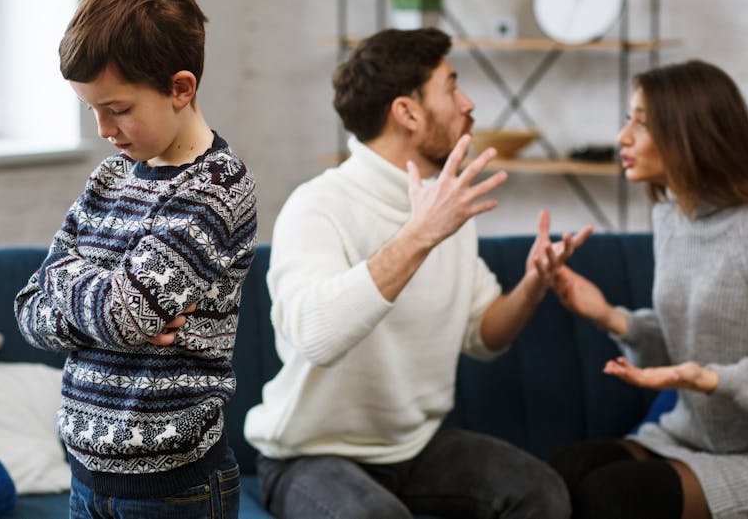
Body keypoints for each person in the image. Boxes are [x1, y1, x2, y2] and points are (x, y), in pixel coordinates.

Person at [243, 27, 589, 519]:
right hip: (310, 455)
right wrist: (419, 234)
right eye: (451, 87)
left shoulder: (445, 207)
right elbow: (314, 336)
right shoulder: (318, 206)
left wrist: (534, 285)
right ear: (406, 112)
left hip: (416, 447)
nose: (468, 104)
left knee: (542, 492)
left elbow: (484, 335)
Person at [14, 0, 257, 518]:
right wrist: (103, 300)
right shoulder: (108, 179)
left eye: (118, 109)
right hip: (86, 477)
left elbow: (126, 315)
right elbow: (29, 308)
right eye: (92, 110)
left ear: (180, 88)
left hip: (175, 488)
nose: (103, 129)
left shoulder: (215, 190)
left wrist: (71, 281)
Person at [548, 60, 748, 519]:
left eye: (642, 123)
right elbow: (680, 347)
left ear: (690, 134)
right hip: (686, 437)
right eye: (628, 118)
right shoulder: (671, 218)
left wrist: (710, 378)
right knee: (560, 476)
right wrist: (608, 316)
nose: (623, 137)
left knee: (612, 496)